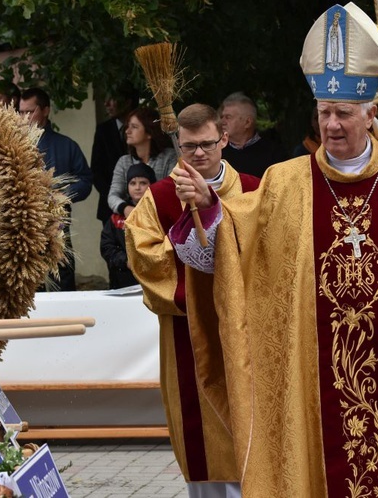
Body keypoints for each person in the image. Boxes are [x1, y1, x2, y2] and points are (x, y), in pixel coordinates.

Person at [168, 3, 378, 496]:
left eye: (344, 113)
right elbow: (230, 247)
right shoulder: (284, 183)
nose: (332, 124)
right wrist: (208, 208)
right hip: (315, 383)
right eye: (325, 113)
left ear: (371, 114)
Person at [125, 103, 260, 498]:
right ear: (178, 145)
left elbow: (270, 253)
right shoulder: (160, 198)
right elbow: (147, 259)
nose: (198, 154)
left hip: (249, 328)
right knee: (203, 435)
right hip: (189, 331)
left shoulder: (254, 188)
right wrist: (190, 224)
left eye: (205, 144)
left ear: (223, 139)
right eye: (188, 148)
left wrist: (214, 212)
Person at [19, 87, 92, 291]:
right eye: (20, 111)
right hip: (22, 223)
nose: (24, 117)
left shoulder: (66, 145)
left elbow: (85, 181)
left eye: (29, 111)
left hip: (58, 222)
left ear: (45, 110)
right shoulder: (10, 146)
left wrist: (63, 196)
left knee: (63, 273)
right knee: (28, 277)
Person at [107, 107, 177, 218]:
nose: (127, 131)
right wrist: (126, 208)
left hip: (162, 220)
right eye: (128, 126)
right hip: (131, 221)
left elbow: (171, 192)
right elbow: (113, 195)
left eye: (134, 127)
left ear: (149, 132)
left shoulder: (169, 158)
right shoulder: (124, 162)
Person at [100, 163, 156, 289]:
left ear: (152, 185)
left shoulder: (160, 213)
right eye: (133, 183)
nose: (137, 187)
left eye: (143, 183)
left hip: (155, 278)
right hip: (123, 279)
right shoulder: (117, 218)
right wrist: (126, 261)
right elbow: (107, 247)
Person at [91, 85, 139, 222]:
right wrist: (115, 198)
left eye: (112, 99)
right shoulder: (103, 130)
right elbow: (97, 170)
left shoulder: (145, 129)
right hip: (110, 207)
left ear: (128, 101)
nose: (106, 104)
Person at [219, 92, 286, 178]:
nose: (222, 122)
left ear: (247, 122)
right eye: (222, 117)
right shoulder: (217, 151)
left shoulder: (274, 153)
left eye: (228, 117)